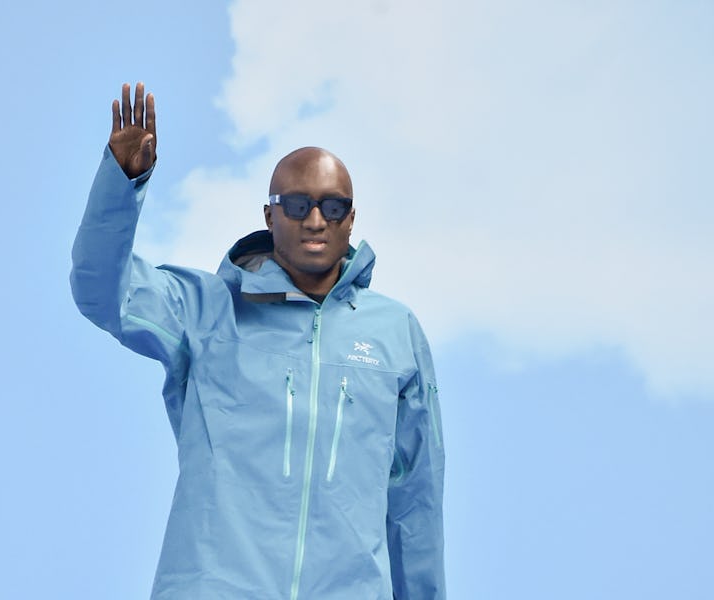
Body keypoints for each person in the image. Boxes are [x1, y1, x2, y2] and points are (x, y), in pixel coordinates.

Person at [71, 82, 446, 600]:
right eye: (296, 204)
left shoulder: (394, 332)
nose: (316, 220)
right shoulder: (207, 309)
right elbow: (102, 294)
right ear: (269, 216)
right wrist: (122, 184)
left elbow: (415, 499)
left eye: (334, 207)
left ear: (352, 219)